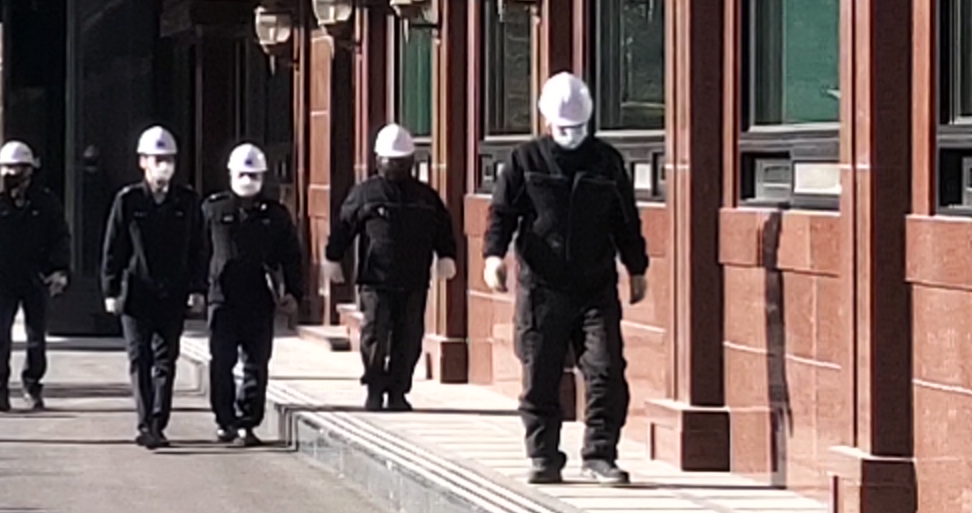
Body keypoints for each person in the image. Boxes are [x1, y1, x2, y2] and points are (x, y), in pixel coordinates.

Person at [485, 72, 654, 485]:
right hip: (542, 288)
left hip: (595, 286)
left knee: (605, 369)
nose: (571, 135)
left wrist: (637, 267)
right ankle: (543, 455)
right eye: (563, 128)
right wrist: (493, 256)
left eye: (577, 127)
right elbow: (502, 213)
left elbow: (625, 220)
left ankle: (600, 454)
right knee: (540, 373)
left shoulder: (606, 162)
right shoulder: (525, 160)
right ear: (547, 121)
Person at [93, 125, 210, 451]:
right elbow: (113, 247)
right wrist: (110, 289)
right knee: (139, 357)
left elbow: (198, 248)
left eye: (168, 159)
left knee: (165, 359)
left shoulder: (187, 201)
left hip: (172, 293)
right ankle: (145, 422)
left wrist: (197, 288)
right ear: (142, 162)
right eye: (157, 159)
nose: (163, 165)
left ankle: (158, 422)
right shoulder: (128, 201)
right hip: (136, 294)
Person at [330, 125, 459, 412]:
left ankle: (399, 391)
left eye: (401, 162)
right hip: (376, 280)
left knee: (409, 338)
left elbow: (443, 229)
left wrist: (447, 255)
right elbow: (344, 227)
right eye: (390, 161)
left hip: (414, 280)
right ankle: (375, 388)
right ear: (378, 161)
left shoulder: (425, 197)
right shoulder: (365, 194)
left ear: (411, 161)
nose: (396, 167)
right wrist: (333, 257)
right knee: (375, 335)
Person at [203, 144, 312, 445]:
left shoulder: (275, 215)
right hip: (222, 298)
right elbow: (198, 252)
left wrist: (293, 292)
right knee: (221, 361)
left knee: (256, 363)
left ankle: (247, 422)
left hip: (258, 299)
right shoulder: (214, 210)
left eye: (253, 175)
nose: (247, 180)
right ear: (230, 174)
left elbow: (291, 256)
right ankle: (225, 420)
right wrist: (195, 290)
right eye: (242, 174)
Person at [0, 141, 62, 410]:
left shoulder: (46, 203)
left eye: (16, 168)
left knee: (36, 337)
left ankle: (32, 385)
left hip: (36, 277)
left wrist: (60, 270)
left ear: (29, 170)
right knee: (1, 335)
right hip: (4, 279)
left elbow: (60, 238)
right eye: (6, 169)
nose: (10, 174)